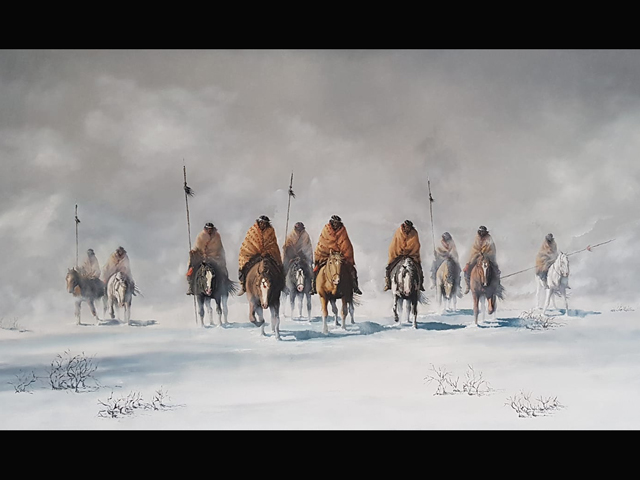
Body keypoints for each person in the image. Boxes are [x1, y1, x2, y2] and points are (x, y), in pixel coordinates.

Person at [311, 215, 362, 295]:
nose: (335, 224)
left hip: (340, 256)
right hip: (327, 256)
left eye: (337, 223)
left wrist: (343, 255)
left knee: (352, 269)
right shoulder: (326, 230)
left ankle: (355, 286)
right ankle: (314, 286)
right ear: (331, 222)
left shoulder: (343, 231)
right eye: (334, 222)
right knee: (316, 269)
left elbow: (346, 244)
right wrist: (327, 253)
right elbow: (323, 243)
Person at [237, 215, 283, 296]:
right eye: (261, 222)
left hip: (268, 255)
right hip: (254, 255)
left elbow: (273, 245)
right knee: (244, 268)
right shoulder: (252, 230)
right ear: (258, 222)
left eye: (265, 223)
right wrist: (256, 252)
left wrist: (267, 252)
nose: (263, 224)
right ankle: (244, 286)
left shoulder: (270, 231)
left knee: (278, 267)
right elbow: (248, 244)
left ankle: (282, 285)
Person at [187, 222, 229, 295]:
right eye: (208, 229)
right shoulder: (201, 236)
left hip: (214, 258)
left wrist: (218, 257)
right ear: (206, 229)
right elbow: (197, 247)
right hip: (201, 258)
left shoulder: (217, 236)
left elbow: (219, 248)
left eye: (211, 229)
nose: (210, 230)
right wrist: (193, 252)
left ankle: (225, 286)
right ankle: (191, 286)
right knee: (192, 269)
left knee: (223, 271)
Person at [384, 220, 425, 292]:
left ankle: (420, 283)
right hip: (398, 254)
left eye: (409, 227)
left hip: (411, 254)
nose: (408, 228)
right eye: (406, 227)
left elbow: (415, 245)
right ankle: (388, 283)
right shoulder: (398, 232)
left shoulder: (414, 233)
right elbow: (395, 244)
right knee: (389, 267)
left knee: (418, 267)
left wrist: (408, 252)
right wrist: (401, 252)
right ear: (404, 226)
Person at [463, 225, 499, 294]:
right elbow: (474, 249)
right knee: (467, 269)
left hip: (487, 256)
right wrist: (478, 253)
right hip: (477, 256)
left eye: (483, 232)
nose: (482, 233)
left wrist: (486, 254)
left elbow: (492, 249)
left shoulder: (489, 238)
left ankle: (497, 285)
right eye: (481, 232)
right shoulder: (476, 238)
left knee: (495, 269)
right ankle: (468, 285)